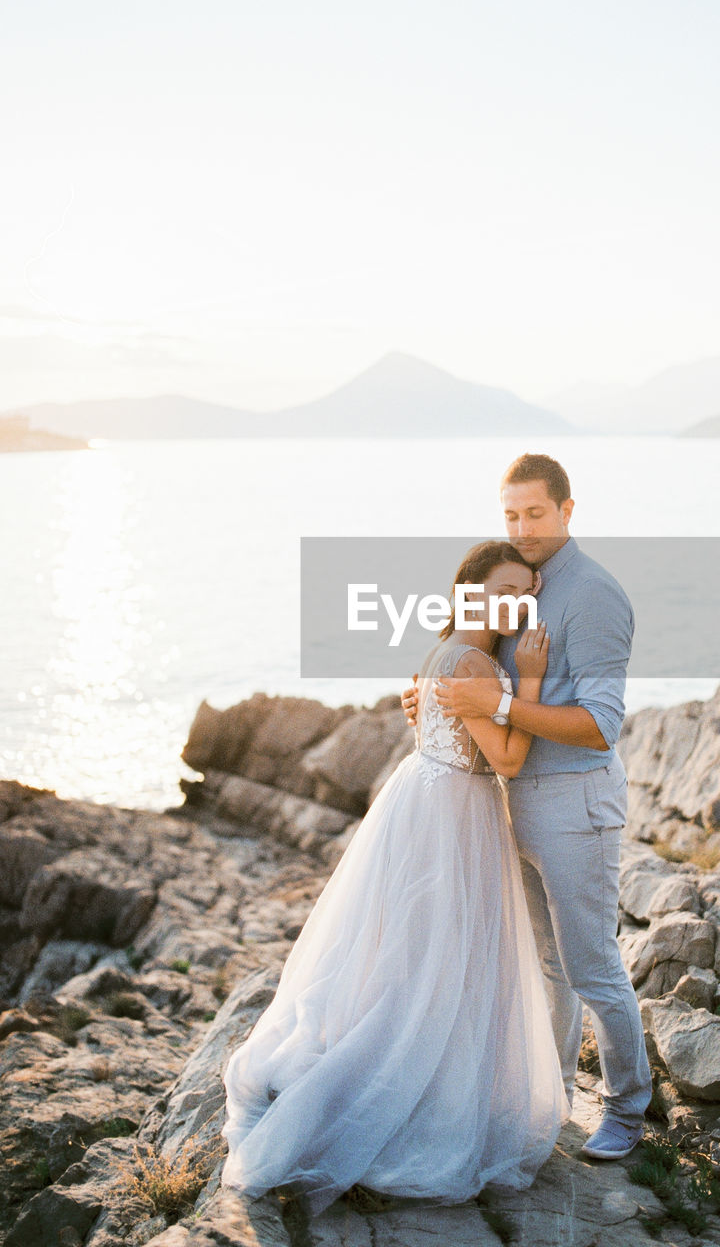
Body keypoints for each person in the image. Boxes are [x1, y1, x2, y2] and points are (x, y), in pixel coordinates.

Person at [220, 540, 571, 1216]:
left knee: (405, 952)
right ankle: (421, 1093)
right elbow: (508, 760)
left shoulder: (441, 653)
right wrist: (527, 685)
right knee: (444, 958)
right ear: (467, 588)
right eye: (503, 590)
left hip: (419, 798)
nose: (515, 605)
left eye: (523, 595)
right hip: (455, 813)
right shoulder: (478, 664)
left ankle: (410, 1071)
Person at [402, 453, 652, 1161]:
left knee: (593, 967)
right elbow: (478, 669)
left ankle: (627, 1112)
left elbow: (602, 723)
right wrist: (434, 698)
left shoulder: (594, 595)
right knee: (549, 968)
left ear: (568, 510)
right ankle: (552, 1098)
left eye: (536, 513)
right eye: (511, 515)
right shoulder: (523, 583)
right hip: (515, 802)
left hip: (576, 803)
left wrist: (500, 702)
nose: (524, 527)